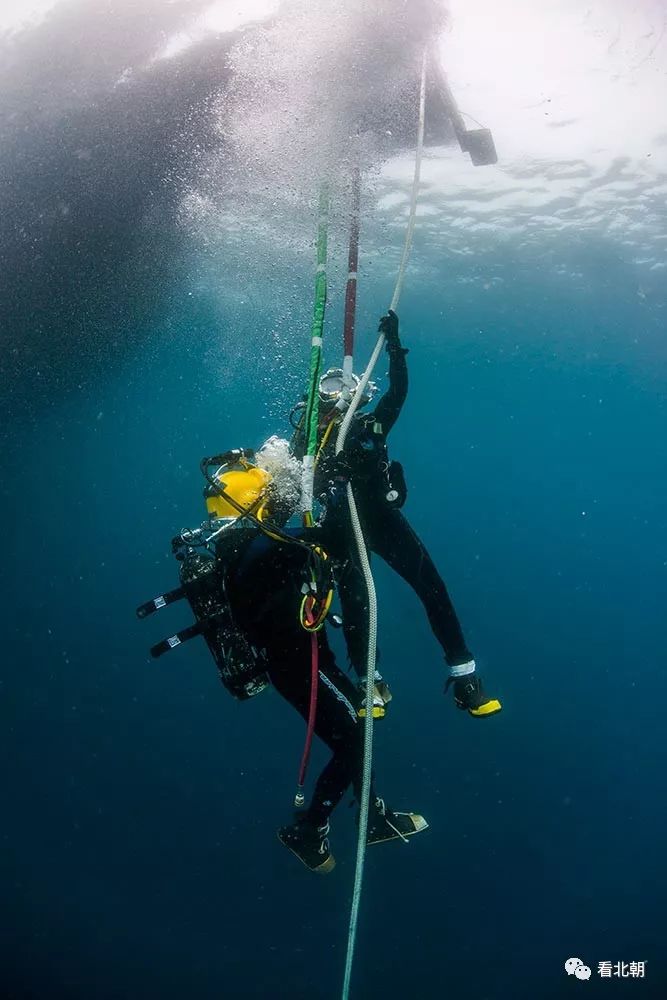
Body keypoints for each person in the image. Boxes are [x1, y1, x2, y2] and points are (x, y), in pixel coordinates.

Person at [139, 455, 428, 874]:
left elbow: (298, 536)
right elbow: (332, 539)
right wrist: (342, 486)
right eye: (268, 498)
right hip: (300, 666)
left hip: (298, 661)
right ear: (253, 504)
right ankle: (312, 830)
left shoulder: (240, 545)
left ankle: (370, 819)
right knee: (357, 737)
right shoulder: (262, 546)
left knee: (357, 733)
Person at [292, 310, 501, 719]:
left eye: (344, 386)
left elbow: (398, 392)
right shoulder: (312, 436)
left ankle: (465, 678)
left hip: (382, 519)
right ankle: (368, 681)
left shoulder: (372, 424)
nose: (337, 393)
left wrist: (394, 346)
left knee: (431, 586)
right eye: (329, 387)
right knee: (357, 603)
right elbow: (301, 483)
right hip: (342, 527)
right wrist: (326, 469)